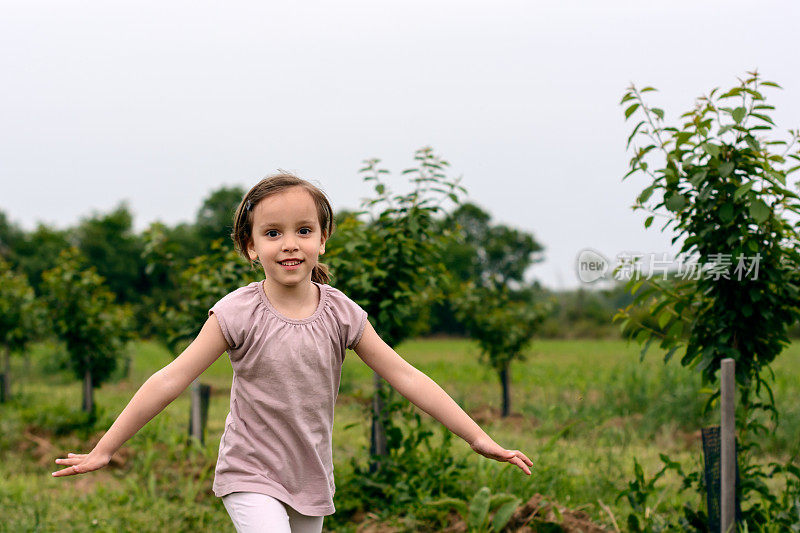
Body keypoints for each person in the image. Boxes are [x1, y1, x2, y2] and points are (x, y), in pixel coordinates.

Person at [51, 172, 533, 532]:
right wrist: (106, 447)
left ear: (323, 239)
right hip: (250, 471)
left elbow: (407, 377)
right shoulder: (237, 313)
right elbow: (171, 379)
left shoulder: (342, 315)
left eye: (304, 231)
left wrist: (477, 437)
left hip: (310, 475)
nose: (290, 244)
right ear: (249, 246)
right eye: (273, 233)